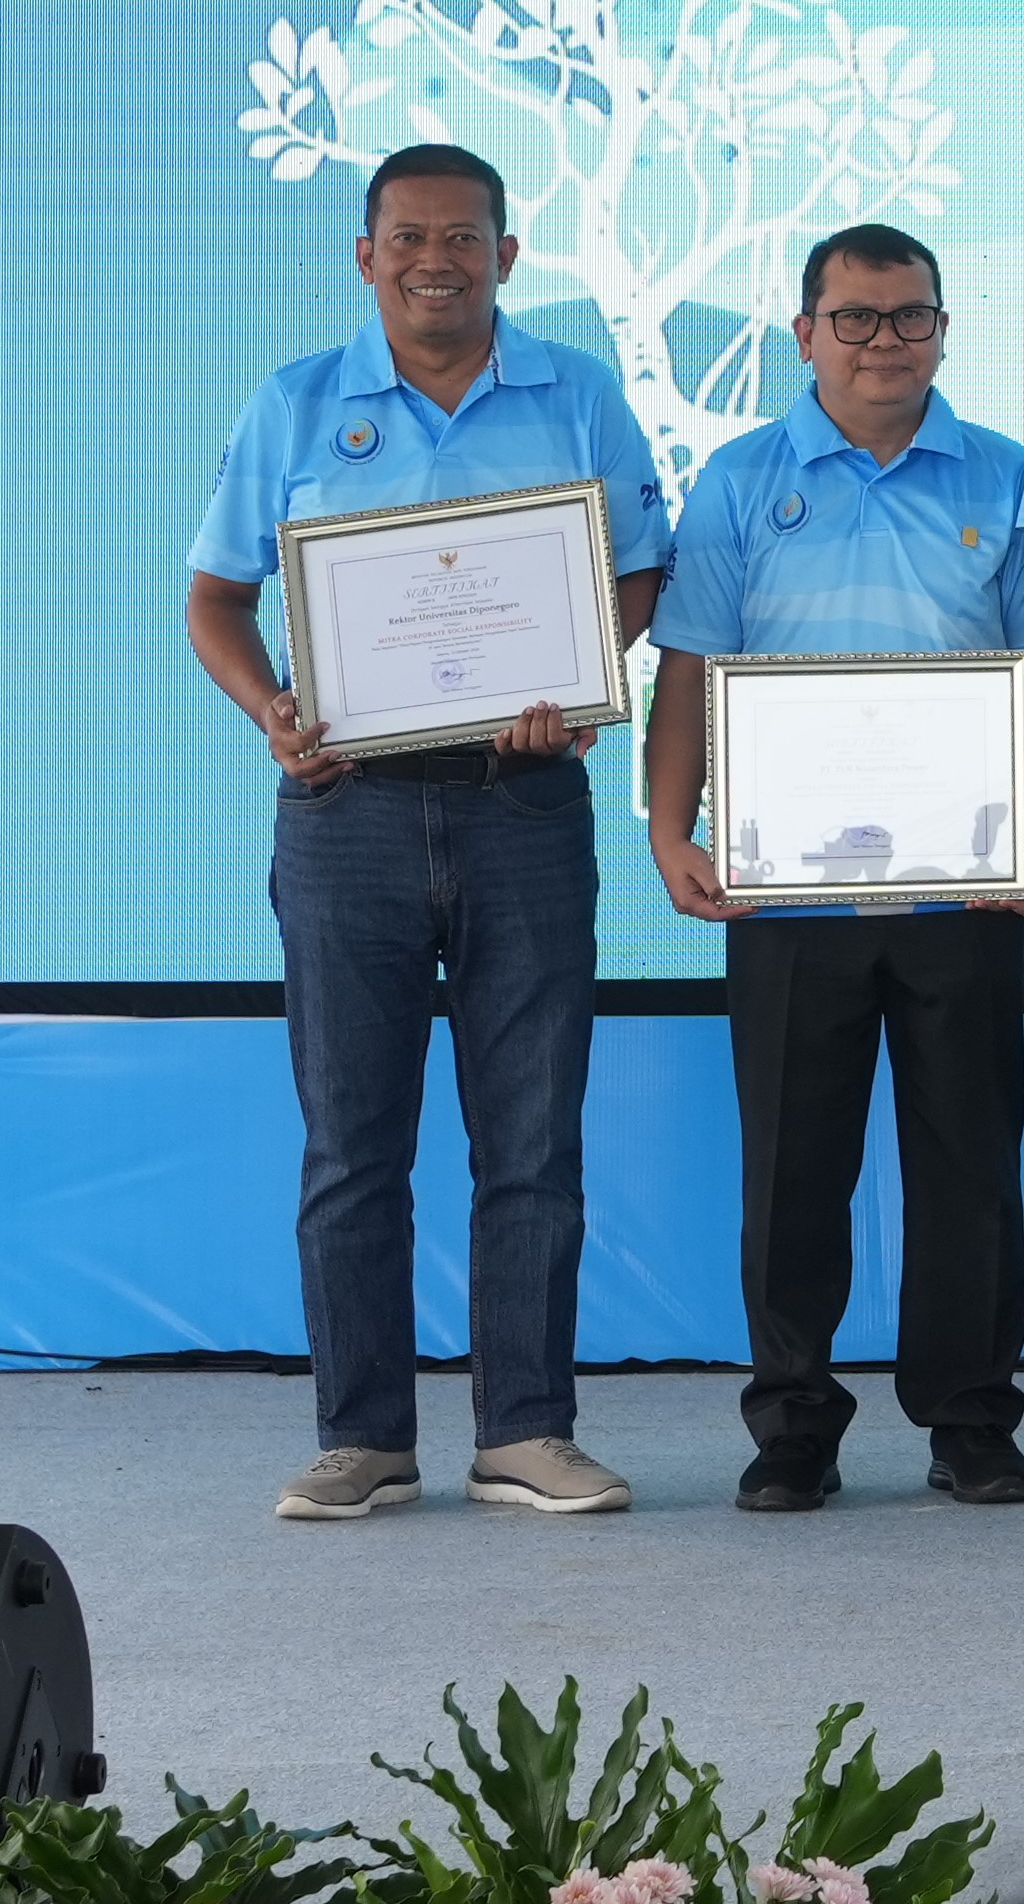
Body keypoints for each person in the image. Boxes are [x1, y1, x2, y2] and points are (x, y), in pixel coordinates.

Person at [182, 140, 668, 1522]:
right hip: (346, 813)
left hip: (523, 803)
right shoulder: (295, 405)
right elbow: (216, 599)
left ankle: (526, 1430)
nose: (436, 259)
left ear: (509, 256)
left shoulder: (577, 394)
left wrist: (578, 679)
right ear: (365, 255)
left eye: (465, 236)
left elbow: (640, 567)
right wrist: (274, 703)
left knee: (532, 1138)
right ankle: (362, 1438)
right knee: (352, 1142)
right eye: (408, 237)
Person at [641, 222, 1024, 1509]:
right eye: (858, 318)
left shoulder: (1007, 477)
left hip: (963, 885)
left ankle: (970, 1419)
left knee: (969, 1164)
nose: (886, 341)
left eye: (911, 317)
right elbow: (693, 669)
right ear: (806, 331)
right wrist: (669, 825)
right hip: (787, 890)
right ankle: (793, 1423)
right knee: (791, 1166)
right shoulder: (738, 478)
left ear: (942, 329)